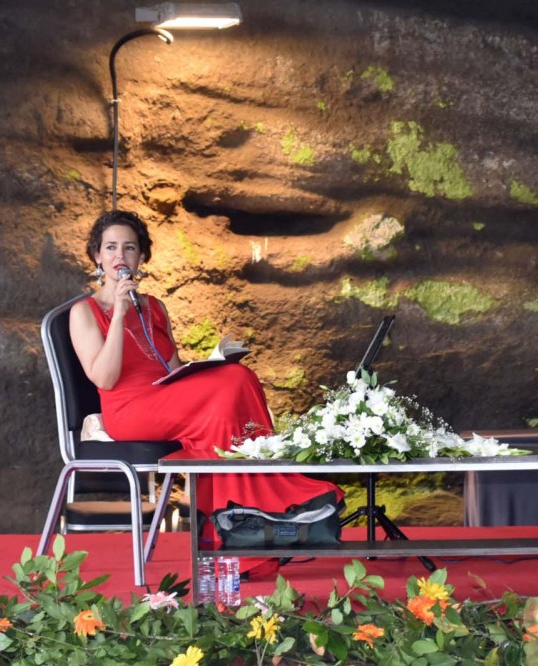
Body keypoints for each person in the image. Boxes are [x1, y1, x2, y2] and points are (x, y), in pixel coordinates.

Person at [70, 209, 343, 572]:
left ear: (141, 257)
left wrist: (208, 366)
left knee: (237, 377)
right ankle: (247, 522)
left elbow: (172, 369)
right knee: (228, 388)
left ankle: (241, 527)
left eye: (130, 248)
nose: (120, 256)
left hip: (163, 398)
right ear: (97, 255)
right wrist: (119, 314)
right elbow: (104, 379)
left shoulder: (154, 306)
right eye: (111, 247)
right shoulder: (84, 311)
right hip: (129, 410)